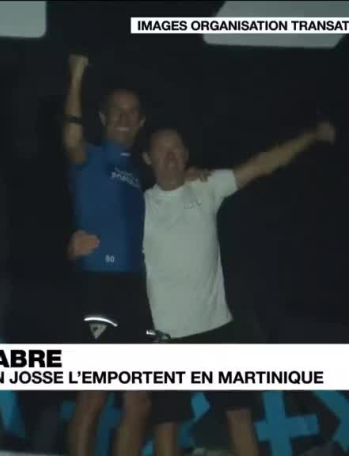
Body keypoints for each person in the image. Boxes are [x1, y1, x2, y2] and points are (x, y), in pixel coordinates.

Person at [69, 121, 336, 456]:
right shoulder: (138, 206)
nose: (170, 157)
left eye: (176, 149)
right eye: (162, 151)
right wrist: (73, 246)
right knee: (166, 425)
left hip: (217, 329)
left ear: (186, 155)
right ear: (148, 159)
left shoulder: (208, 187)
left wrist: (310, 135)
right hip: (165, 337)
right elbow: (97, 230)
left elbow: (262, 165)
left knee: (239, 416)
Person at [62, 54, 208, 456]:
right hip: (99, 286)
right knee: (93, 395)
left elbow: (168, 189)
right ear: (103, 117)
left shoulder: (143, 174)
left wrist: (190, 174)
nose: (124, 118)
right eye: (117, 111)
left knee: (139, 400)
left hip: (138, 294)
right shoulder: (90, 156)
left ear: (141, 121)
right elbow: (71, 139)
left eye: (132, 112)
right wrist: (76, 75)